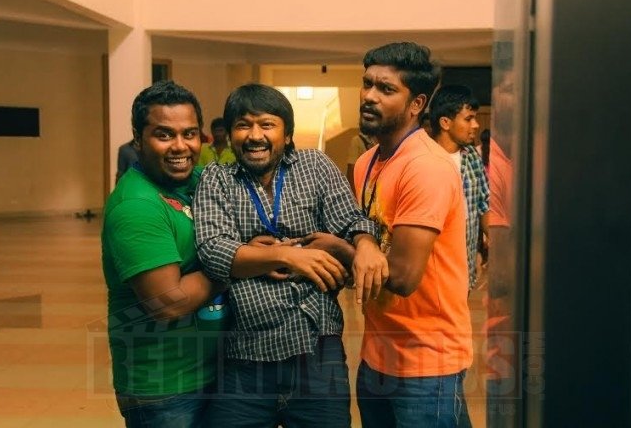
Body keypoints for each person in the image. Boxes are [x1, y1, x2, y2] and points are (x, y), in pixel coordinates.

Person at [193, 83, 387, 427]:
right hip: (244, 356)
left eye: (267, 124)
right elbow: (214, 250)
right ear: (230, 134)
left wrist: (366, 244)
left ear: (287, 133)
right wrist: (291, 256)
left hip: (317, 353)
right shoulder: (217, 178)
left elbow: (351, 223)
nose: (255, 136)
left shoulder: (314, 167)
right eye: (243, 125)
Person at [353, 42, 473, 427]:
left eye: (386, 89)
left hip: (427, 363)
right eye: (367, 83)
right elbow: (366, 235)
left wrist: (334, 249)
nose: (370, 96)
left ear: (417, 104)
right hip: (377, 352)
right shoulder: (367, 162)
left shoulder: (426, 167)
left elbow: (403, 277)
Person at [101, 80, 227, 427]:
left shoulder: (199, 182)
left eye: (189, 134)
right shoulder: (136, 205)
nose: (180, 146)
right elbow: (167, 302)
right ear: (138, 139)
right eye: (164, 135)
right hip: (165, 389)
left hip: (213, 373)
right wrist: (236, 263)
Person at [423, 84, 490, 290]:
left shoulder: (472, 157)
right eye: (468, 119)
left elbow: (484, 204)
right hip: (431, 269)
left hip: (464, 265)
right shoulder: (423, 159)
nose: (476, 125)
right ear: (445, 122)